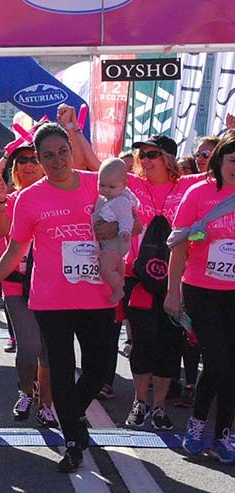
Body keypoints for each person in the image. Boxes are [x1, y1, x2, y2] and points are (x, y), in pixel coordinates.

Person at [0, 122, 116, 474]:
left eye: (62, 152)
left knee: (98, 369)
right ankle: (72, 441)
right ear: (39, 160)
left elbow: (134, 220)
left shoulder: (97, 186)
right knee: (61, 370)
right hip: (52, 298)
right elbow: (14, 249)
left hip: (97, 294)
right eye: (48, 156)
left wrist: (115, 227)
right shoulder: (30, 198)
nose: (57, 161)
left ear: (72, 151)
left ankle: (71, 414)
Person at [120, 135, 203, 431]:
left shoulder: (189, 186)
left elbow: (223, 170)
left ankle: (159, 407)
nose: (144, 160)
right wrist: (74, 131)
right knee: (143, 341)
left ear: (168, 157)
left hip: (176, 281)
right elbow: (92, 166)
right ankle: (139, 402)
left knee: (169, 345)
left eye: (151, 154)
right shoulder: (132, 184)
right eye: (141, 154)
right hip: (137, 279)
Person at [165, 129, 235, 464]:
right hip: (202, 290)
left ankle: (223, 435)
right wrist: (172, 293)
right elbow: (177, 245)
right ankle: (197, 424)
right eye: (233, 160)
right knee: (219, 361)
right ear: (220, 160)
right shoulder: (198, 193)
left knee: (230, 365)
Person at [0, 144, 58, 428]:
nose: (29, 165)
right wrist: (1, 201)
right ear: (15, 169)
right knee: (29, 347)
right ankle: (26, 392)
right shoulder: (11, 199)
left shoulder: (56, 196)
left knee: (49, 349)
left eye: (34, 160)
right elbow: (0, 230)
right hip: (16, 283)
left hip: (52, 283)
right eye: (23, 160)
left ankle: (47, 405)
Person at [92, 157, 139, 305]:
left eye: (111, 187)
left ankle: (118, 290)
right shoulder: (107, 197)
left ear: (124, 184)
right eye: (102, 185)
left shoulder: (121, 201)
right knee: (118, 264)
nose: (106, 189)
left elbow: (127, 218)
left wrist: (124, 231)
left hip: (116, 242)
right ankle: (121, 281)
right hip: (114, 243)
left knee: (105, 268)